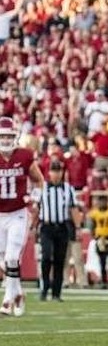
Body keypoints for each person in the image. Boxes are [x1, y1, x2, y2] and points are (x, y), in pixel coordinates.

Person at [0, 117, 43, 315]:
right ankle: (18, 293)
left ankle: (7, 300)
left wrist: (34, 198)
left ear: (15, 136)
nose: (6, 140)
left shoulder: (24, 156)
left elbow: (39, 180)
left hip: (18, 212)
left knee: (11, 257)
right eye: (3, 136)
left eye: (9, 136)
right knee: (4, 260)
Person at [36, 160, 78, 302]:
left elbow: (73, 209)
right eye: (54, 171)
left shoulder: (68, 189)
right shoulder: (42, 188)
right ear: (49, 172)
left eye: (59, 171)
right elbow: (36, 208)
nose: (56, 174)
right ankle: (44, 288)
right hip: (46, 227)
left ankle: (56, 293)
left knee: (60, 260)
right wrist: (32, 226)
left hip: (62, 227)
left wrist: (77, 228)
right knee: (46, 257)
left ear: (62, 173)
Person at [88, 194, 108, 289]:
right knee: (102, 263)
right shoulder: (94, 213)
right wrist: (95, 238)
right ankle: (104, 282)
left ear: (106, 201)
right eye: (100, 201)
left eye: (103, 201)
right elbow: (92, 226)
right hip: (100, 239)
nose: (102, 203)